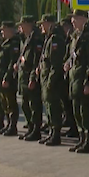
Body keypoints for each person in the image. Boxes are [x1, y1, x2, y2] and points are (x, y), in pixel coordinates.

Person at [68, 10, 89, 152]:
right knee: (77, 112)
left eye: (75, 18)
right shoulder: (75, 36)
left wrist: (88, 82)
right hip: (74, 80)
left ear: (83, 19)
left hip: (83, 80)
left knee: (86, 112)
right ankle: (82, 139)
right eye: (72, 19)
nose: (73, 21)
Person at [37, 15, 67, 145]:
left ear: (50, 24)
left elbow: (55, 63)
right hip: (46, 78)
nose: (41, 27)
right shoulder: (49, 38)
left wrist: (50, 81)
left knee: (54, 108)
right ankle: (51, 132)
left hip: (53, 81)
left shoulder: (56, 39)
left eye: (43, 24)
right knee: (49, 107)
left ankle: (56, 134)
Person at [17, 16, 44, 141]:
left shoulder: (36, 39)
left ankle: (36, 130)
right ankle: (31, 127)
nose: (20, 27)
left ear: (29, 24)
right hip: (24, 76)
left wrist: (33, 78)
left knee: (34, 105)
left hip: (31, 76)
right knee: (25, 104)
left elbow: (36, 61)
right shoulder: (27, 38)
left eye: (22, 24)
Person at [0, 21, 21, 136]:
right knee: (4, 102)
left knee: (11, 102)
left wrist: (6, 78)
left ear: (9, 30)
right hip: (1, 76)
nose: (2, 32)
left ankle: (13, 126)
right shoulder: (5, 42)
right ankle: (8, 124)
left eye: (3, 29)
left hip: (8, 78)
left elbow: (12, 62)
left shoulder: (14, 43)